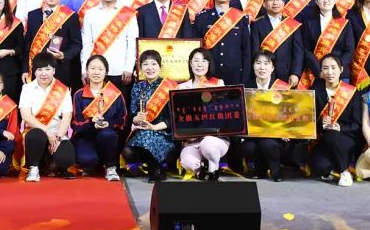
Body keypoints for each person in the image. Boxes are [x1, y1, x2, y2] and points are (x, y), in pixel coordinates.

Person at [80, 0, 138, 98]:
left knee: (120, 106)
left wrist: (129, 68)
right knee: (96, 106)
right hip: (96, 71)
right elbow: (86, 43)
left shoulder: (128, 13)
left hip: (120, 71)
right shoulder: (90, 14)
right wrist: (84, 69)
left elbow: (132, 43)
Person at [306, 54, 361, 186]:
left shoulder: (352, 92)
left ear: (341, 69)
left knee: (333, 134)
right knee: (319, 166)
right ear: (321, 71)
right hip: (324, 138)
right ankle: (337, 166)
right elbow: (308, 120)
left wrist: (340, 127)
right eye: (325, 68)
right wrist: (321, 123)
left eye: (333, 68)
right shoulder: (314, 91)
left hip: (346, 137)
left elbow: (357, 124)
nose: (330, 72)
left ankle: (344, 172)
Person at [124, 50, 178, 182]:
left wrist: (154, 127)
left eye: (153, 64)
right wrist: (137, 118)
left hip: (164, 132)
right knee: (127, 152)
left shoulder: (169, 86)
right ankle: (157, 165)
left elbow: (174, 117)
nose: (150, 68)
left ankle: (155, 169)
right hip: (142, 130)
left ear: (160, 67)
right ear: (140, 68)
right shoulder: (137, 87)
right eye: (145, 64)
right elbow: (132, 115)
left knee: (147, 137)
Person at [19, 53, 75, 182]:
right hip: (36, 131)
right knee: (36, 136)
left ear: (54, 70)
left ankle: (51, 162)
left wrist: (58, 138)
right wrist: (46, 130)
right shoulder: (27, 89)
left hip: (57, 133)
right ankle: (34, 168)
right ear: (34, 71)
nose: (43, 73)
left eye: (47, 69)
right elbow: (26, 116)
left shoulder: (63, 89)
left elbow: (67, 116)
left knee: (66, 158)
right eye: (39, 69)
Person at [71, 55, 127, 181]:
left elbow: (122, 119)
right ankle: (96, 162)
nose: (96, 72)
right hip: (86, 137)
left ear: (106, 72)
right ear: (87, 71)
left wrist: (109, 124)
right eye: (92, 68)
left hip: (108, 137)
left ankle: (111, 167)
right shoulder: (79, 95)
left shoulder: (115, 94)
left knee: (107, 134)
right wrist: (91, 122)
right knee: (87, 160)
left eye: (100, 69)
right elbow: (75, 122)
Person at [176, 48, 228, 180]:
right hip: (192, 140)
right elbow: (179, 118)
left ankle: (213, 169)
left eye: (204, 61)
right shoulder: (182, 88)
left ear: (209, 64)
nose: (200, 65)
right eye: (196, 61)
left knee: (208, 145)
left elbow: (224, 115)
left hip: (215, 138)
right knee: (187, 161)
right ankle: (200, 171)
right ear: (190, 63)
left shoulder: (218, 84)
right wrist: (185, 134)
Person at [240, 51, 291, 181]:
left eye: (266, 64)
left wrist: (286, 130)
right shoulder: (245, 87)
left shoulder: (283, 88)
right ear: (253, 66)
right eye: (258, 63)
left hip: (276, 135)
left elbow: (290, 114)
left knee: (267, 143)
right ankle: (260, 170)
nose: (262, 67)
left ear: (272, 68)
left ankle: (276, 170)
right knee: (249, 147)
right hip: (254, 134)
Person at [194, 0, 251, 86]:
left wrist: (245, 79)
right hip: (209, 75)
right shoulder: (202, 18)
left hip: (235, 75)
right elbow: (196, 48)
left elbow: (246, 51)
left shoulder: (241, 18)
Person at [24, 0, 82, 90]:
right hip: (36, 70)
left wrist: (64, 55)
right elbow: (27, 46)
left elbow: (77, 45)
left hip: (61, 70)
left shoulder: (71, 16)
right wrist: (25, 69)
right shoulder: (32, 15)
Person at [299, 0, 355, 87]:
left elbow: (349, 50)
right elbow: (306, 50)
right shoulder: (309, 24)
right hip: (316, 73)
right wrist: (319, 70)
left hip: (340, 73)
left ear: (335, 0)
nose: (326, 1)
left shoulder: (345, 23)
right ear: (316, 2)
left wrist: (336, 69)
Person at [251, 0, 304, 87]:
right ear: (264, 4)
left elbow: (298, 51)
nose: (275, 3)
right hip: (264, 73)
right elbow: (254, 50)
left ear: (283, 2)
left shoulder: (292, 24)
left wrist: (295, 73)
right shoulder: (257, 24)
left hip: (287, 74)